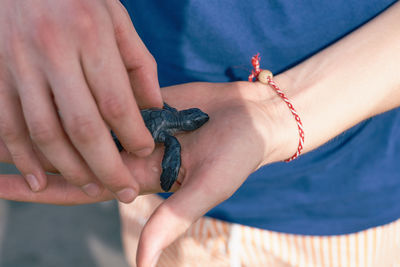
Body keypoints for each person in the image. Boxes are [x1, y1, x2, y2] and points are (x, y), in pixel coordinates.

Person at [0, 0, 399, 266]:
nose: (190, 122)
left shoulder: (174, 130)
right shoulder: (172, 130)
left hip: (346, 201)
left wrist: (277, 112)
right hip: (144, 182)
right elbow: (164, 143)